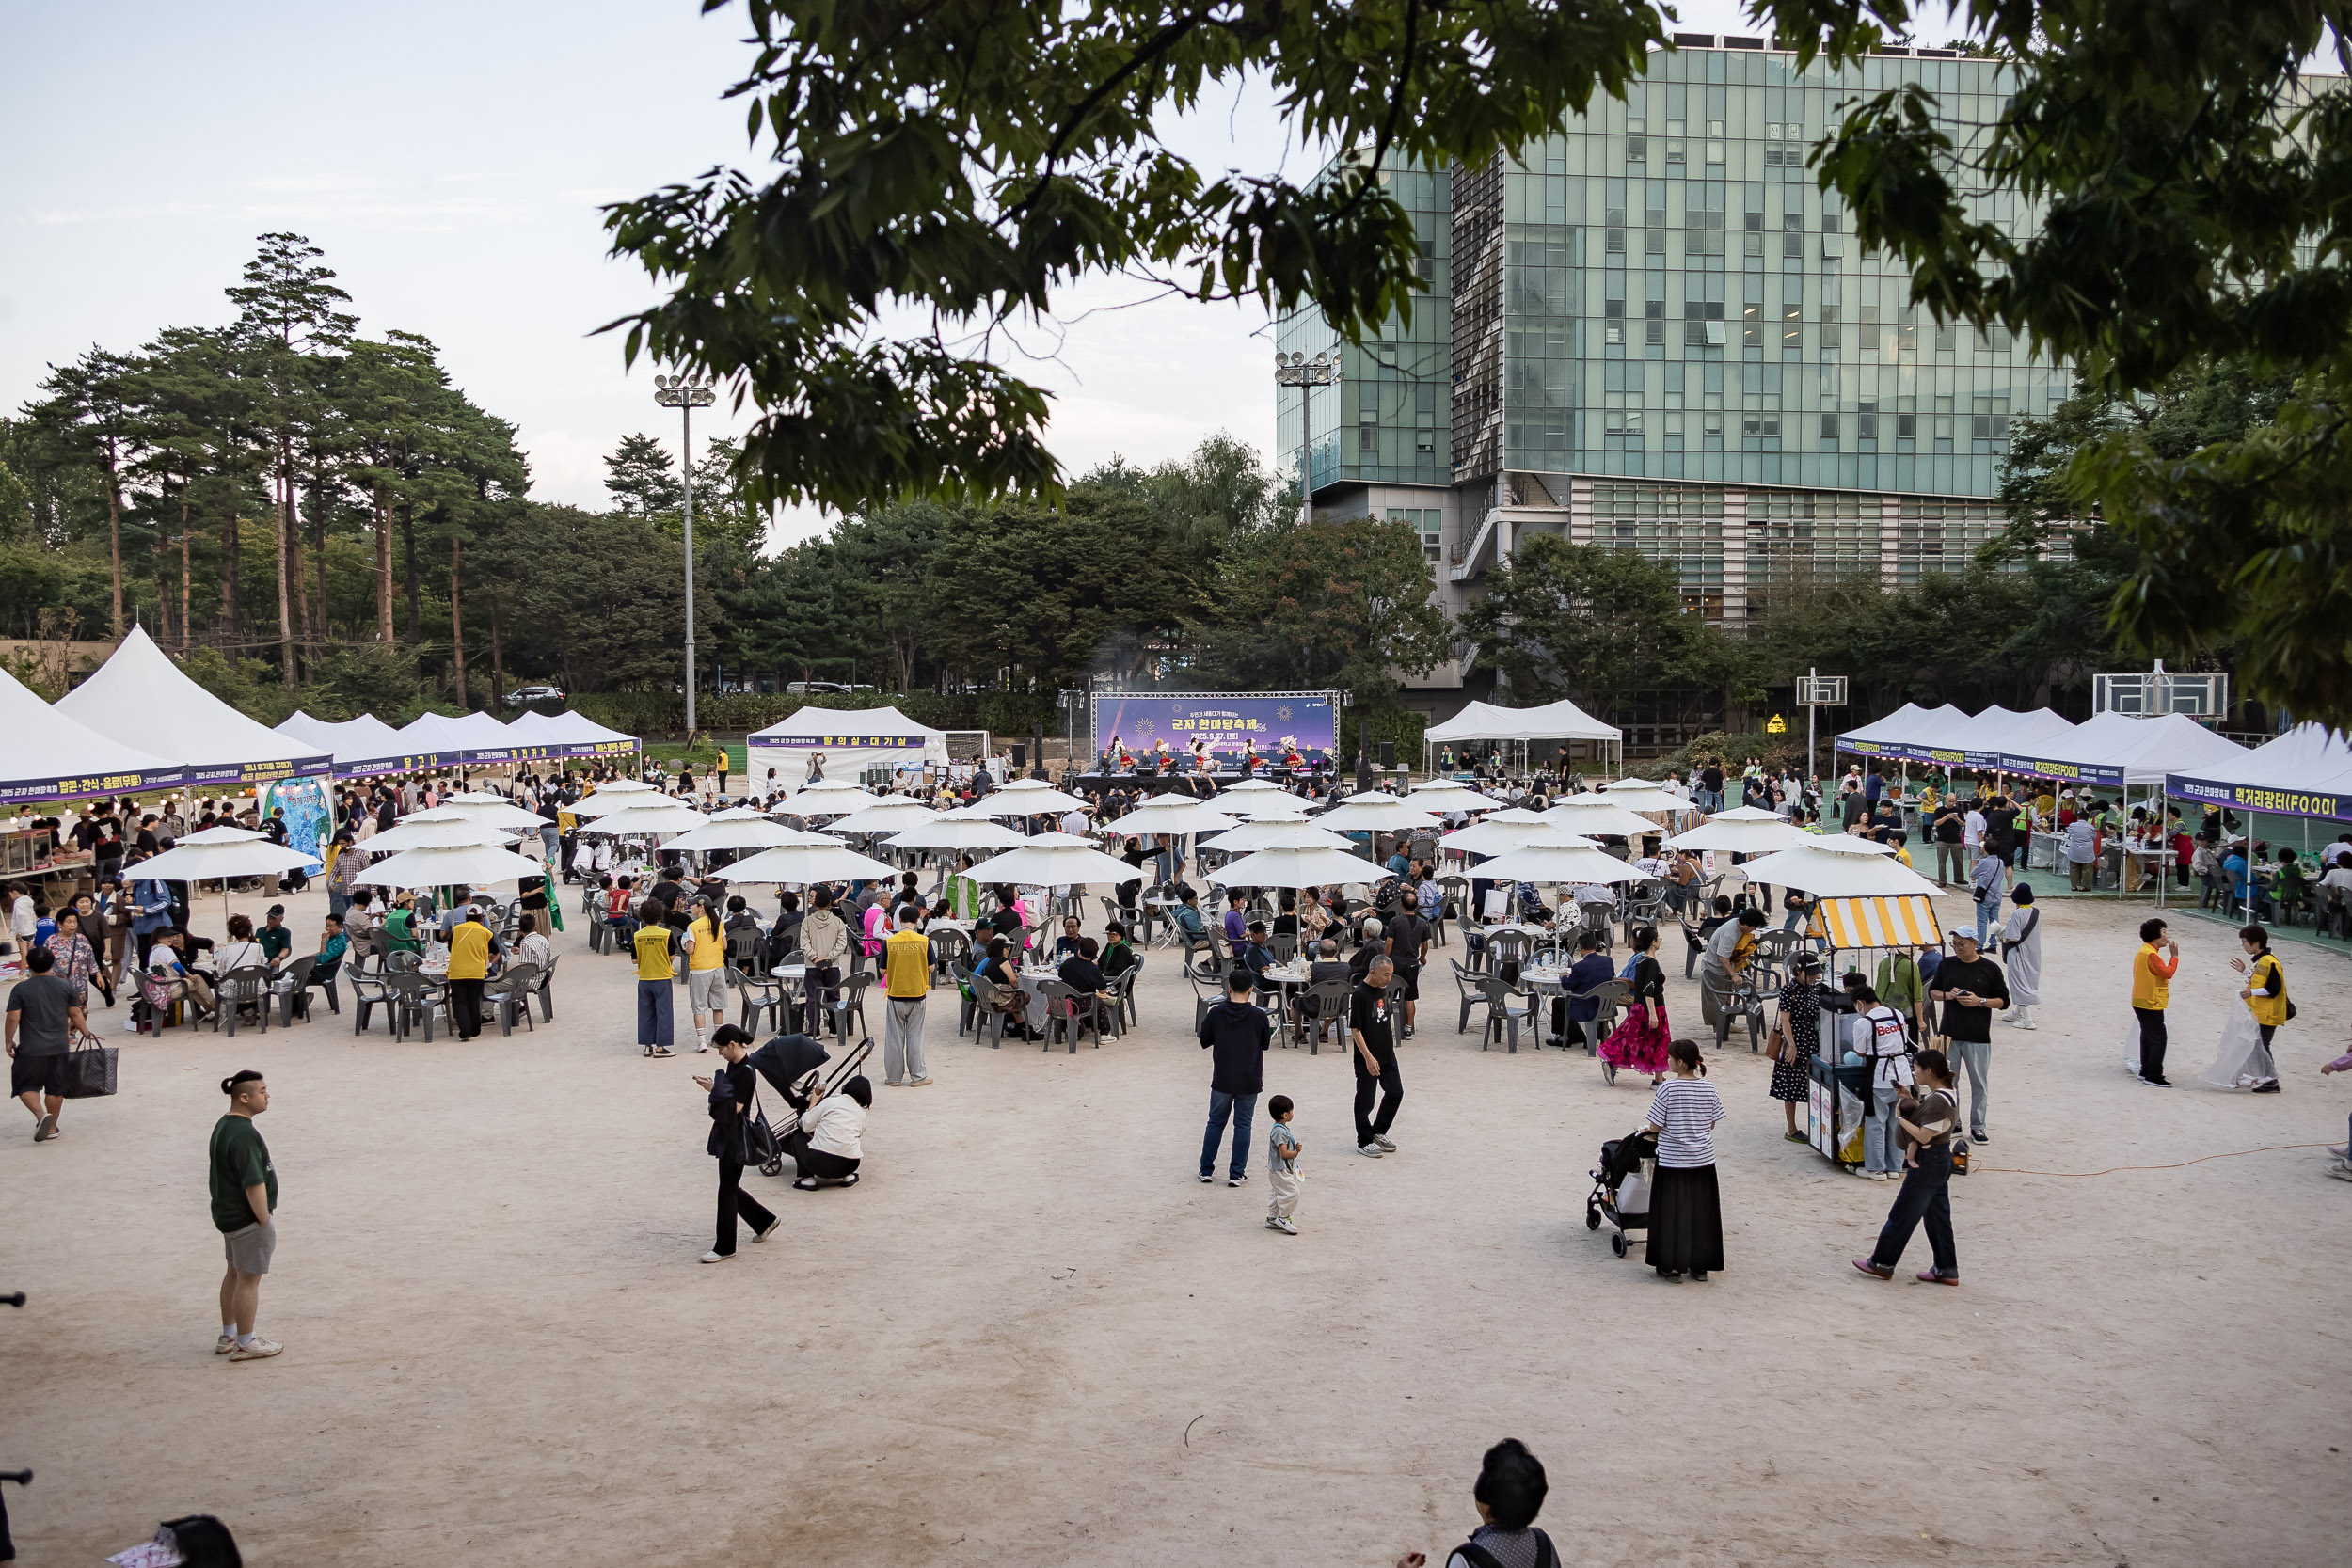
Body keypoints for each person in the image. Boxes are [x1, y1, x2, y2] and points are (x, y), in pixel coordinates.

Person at [1852, 1048, 1962, 1285]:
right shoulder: (1949, 1093)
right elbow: (1929, 1118)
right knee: (1938, 1216)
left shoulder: (1936, 1101)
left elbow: (1923, 1136)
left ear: (1929, 1071)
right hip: (1940, 1159)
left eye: (1917, 1068)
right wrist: (1909, 1100)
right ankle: (1946, 1267)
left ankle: (1882, 1262)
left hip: (1929, 1160)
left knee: (1904, 1212)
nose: (1914, 1072)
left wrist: (1900, 1117)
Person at [211, 1070, 283, 1359]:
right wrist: (263, 1219)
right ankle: (245, 1341)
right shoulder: (243, 1134)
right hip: (248, 1219)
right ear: (245, 1097)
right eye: (262, 1090)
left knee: (234, 1273)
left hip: (227, 1215)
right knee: (249, 1280)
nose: (267, 1095)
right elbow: (253, 1182)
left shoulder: (224, 1125)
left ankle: (228, 1335)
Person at [1640, 1039, 1724, 1280]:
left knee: (1671, 1213)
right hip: (1703, 1159)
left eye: (1670, 1058)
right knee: (1702, 1213)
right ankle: (1700, 1266)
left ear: (1679, 1062)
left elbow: (1655, 1125)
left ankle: (1671, 1265)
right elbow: (1712, 1123)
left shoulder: (1668, 1088)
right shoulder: (1709, 1088)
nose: (1667, 1061)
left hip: (1673, 1160)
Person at [693, 1025, 780, 1262]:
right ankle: (764, 1221)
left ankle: (725, 1246)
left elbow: (736, 1107)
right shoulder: (735, 1066)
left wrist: (715, 1092)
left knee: (727, 1190)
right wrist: (713, 1087)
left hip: (735, 1134)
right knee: (729, 1186)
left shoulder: (745, 1071)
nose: (719, 1053)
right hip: (728, 1131)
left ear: (732, 1045)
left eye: (721, 1048)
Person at [1927, 931, 2008, 1141]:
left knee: (1978, 1083)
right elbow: (1933, 992)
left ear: (1974, 943)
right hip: (1949, 1034)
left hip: (1977, 1035)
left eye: (1961, 944)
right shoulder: (1947, 964)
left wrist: (1980, 1001)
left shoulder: (1990, 968)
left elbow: (2003, 1001)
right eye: (1954, 944)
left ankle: (1978, 1125)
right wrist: (1949, 996)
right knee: (1948, 1083)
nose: (1957, 948)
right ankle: (1954, 1123)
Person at [1197, 969, 1270, 1185]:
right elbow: (1265, 1043)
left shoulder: (1217, 1013)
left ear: (1229, 988)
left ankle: (1205, 1169)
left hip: (1222, 1077)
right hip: (1249, 1078)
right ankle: (1236, 1173)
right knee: (1243, 1125)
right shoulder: (1258, 1016)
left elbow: (1204, 1039)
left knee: (1215, 1123)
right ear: (1251, 990)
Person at [8, 946, 86, 1143]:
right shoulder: (65, 986)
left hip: (31, 1049)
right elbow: (75, 1013)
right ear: (52, 963)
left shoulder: (20, 989)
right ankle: (51, 1128)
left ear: (28, 966)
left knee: (25, 1084)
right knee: (55, 1088)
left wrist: (8, 1040)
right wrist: (86, 1032)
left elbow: (12, 1018)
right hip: (59, 1047)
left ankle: (41, 1115)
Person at [2201, 924, 2288, 1092]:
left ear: (2256, 943)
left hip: (2268, 1014)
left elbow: (2273, 988)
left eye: (2244, 942)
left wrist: (2252, 992)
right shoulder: (2262, 960)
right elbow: (2258, 979)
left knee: (2261, 1046)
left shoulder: (2268, 962)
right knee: (2257, 1045)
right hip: (2261, 1012)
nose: (2243, 945)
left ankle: (2272, 1081)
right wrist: (2245, 972)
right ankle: (2262, 1077)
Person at [1767, 951, 1830, 1141]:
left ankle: (1817, 1125)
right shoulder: (1789, 990)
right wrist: (1792, 1046)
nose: (1814, 978)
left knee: (1814, 1084)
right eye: (1810, 975)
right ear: (1799, 972)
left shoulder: (1813, 989)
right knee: (1791, 1086)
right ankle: (1791, 1128)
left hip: (1812, 1041)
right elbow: (1785, 1020)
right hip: (1795, 1041)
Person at [1597, 926, 1672, 1083]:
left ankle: (1657, 1077)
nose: (1660, 942)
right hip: (1652, 1007)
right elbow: (1648, 988)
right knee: (1659, 1041)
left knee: (1632, 1037)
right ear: (1653, 942)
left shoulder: (1641, 959)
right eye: (1658, 939)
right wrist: (1652, 1013)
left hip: (1640, 1006)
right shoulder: (1650, 962)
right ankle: (1657, 1079)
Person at [1350, 955, 1404, 1159]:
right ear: (1373, 972)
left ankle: (1378, 1131)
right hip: (1368, 1057)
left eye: (1391, 974)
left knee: (1395, 1092)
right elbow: (1356, 1030)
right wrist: (1368, 1057)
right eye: (1386, 975)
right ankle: (1363, 1141)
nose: (1388, 979)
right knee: (1365, 1101)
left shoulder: (1383, 989)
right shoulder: (1360, 995)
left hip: (1387, 1054)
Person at [881, 911, 934, 1086]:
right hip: (917, 994)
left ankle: (894, 1078)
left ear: (900, 920)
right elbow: (932, 967)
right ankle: (918, 1076)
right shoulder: (924, 941)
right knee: (915, 1037)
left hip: (895, 994)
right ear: (917, 921)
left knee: (894, 1037)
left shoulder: (890, 942)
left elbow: (882, 970)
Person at [793, 1074, 869, 1190]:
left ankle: (807, 1179)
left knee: (798, 1138)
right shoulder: (862, 1114)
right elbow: (858, 1134)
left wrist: (813, 1103)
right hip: (851, 1164)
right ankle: (847, 1176)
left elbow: (806, 1126)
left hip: (821, 1163)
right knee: (846, 1141)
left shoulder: (829, 1102)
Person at [2129, 917, 2181, 1086]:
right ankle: (2154, 1074)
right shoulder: (2151, 954)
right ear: (2155, 935)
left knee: (2148, 1035)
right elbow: (2167, 973)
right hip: (2150, 1000)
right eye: (2164, 932)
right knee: (2158, 1037)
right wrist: (2174, 957)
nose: (2166, 936)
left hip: (2140, 999)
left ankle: (2146, 1071)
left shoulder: (2144, 951)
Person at [799, 886, 851, 1036]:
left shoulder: (807, 922)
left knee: (812, 999)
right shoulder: (838, 922)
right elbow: (842, 944)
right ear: (830, 903)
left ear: (815, 903)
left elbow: (804, 944)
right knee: (834, 997)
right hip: (833, 966)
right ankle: (834, 1029)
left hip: (812, 966)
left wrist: (815, 958)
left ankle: (814, 1031)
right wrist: (828, 958)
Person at [680, 899, 729, 1053]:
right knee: (718, 1005)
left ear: (701, 907)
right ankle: (718, 1039)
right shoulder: (718, 924)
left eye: (693, 905)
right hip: (717, 968)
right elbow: (725, 945)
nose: (691, 908)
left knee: (699, 1007)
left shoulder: (693, 927)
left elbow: (690, 950)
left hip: (700, 969)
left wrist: (683, 942)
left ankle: (702, 1042)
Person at [633, 915, 681, 1058]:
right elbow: (672, 956)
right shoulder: (666, 934)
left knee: (645, 1012)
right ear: (659, 918)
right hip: (662, 977)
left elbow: (634, 959)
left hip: (645, 978)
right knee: (664, 1012)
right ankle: (660, 1047)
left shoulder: (638, 935)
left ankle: (647, 1046)